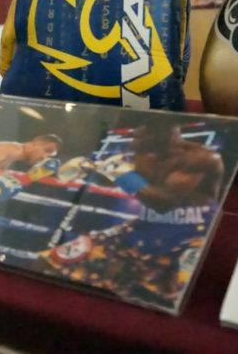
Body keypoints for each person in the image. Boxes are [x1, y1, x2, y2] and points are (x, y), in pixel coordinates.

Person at [35, 123, 223, 308]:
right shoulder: (142, 154)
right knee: (50, 263)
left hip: (187, 238)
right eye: (137, 137)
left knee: (166, 301)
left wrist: (119, 172)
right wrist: (89, 168)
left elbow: (164, 202)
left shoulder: (200, 158)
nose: (135, 143)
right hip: (142, 230)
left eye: (144, 136)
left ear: (169, 134)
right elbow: (119, 181)